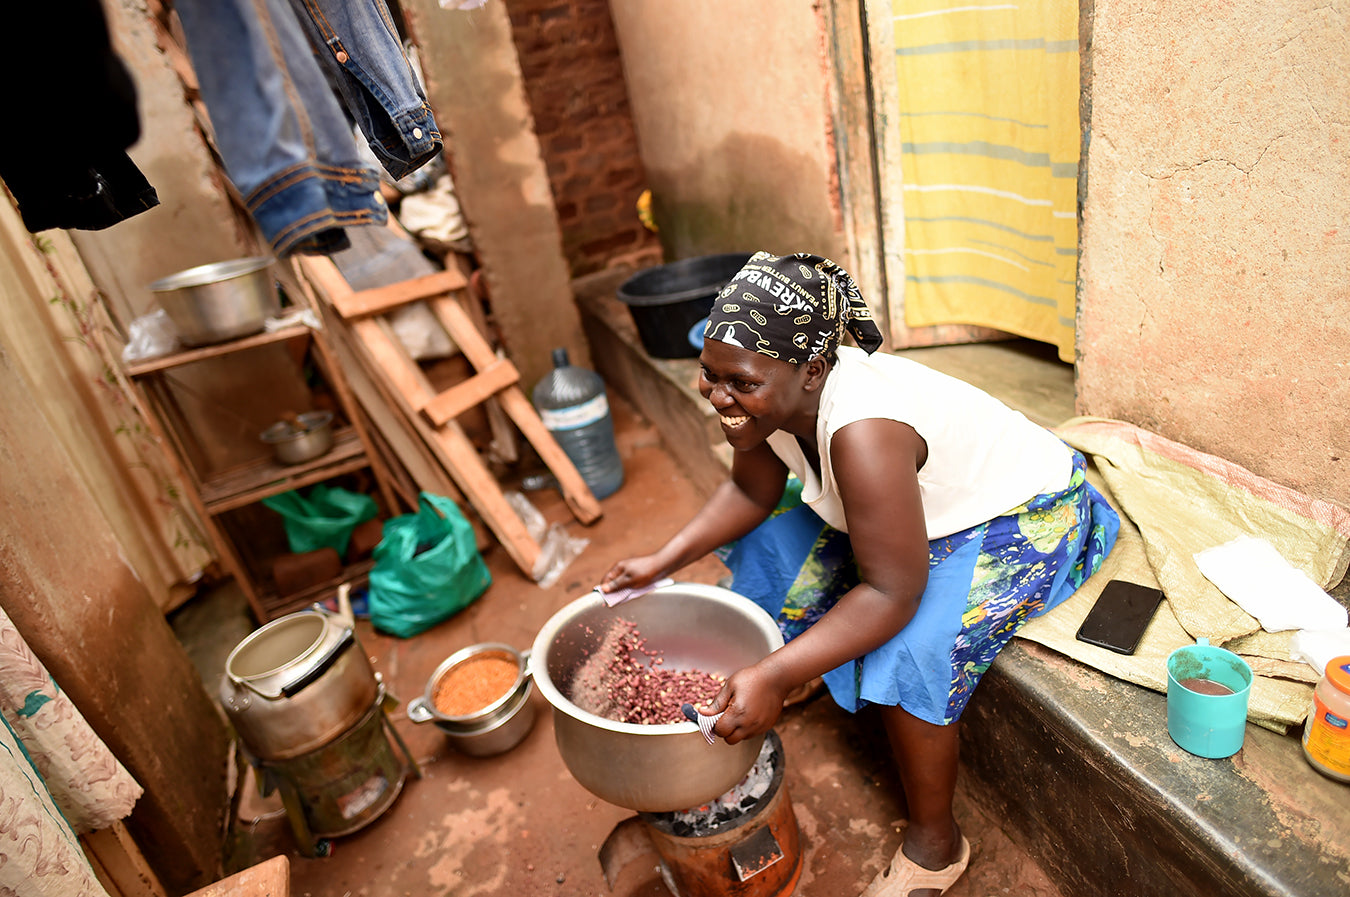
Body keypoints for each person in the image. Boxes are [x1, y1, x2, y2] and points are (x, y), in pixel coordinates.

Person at [600, 251, 1118, 896]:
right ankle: (802, 668)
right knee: (772, 546)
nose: (718, 397)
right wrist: (660, 561)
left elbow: (893, 591)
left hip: (1019, 513)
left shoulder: (865, 431)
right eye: (709, 374)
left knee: (909, 652)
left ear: (812, 371)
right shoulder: (765, 400)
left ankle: (936, 846)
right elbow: (749, 497)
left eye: (740, 383)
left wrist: (774, 670)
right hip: (905, 515)